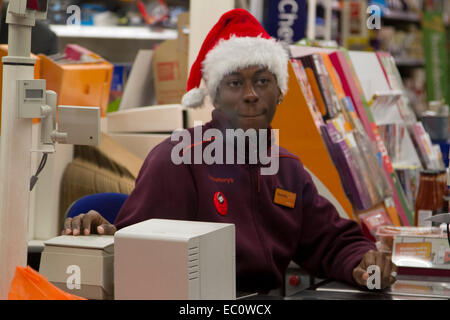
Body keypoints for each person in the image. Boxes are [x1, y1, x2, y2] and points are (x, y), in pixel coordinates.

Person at [63, 9, 397, 294]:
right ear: (215, 96)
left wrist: (363, 261)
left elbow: (331, 241)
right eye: (235, 83)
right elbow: (133, 255)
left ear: (280, 92)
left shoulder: (288, 170)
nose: (251, 95)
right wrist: (103, 234)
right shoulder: (177, 160)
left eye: (263, 81)